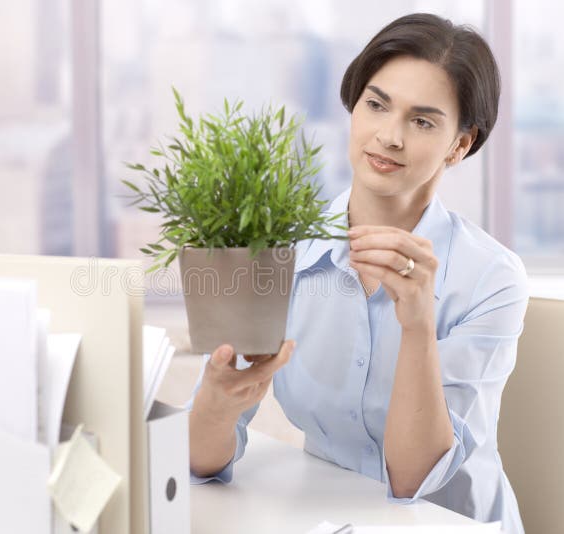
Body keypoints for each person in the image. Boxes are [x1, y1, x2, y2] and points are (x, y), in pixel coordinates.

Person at [187, 12, 527, 533]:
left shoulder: (490, 279)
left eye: (422, 121)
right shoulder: (281, 249)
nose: (388, 136)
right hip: (329, 517)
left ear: (460, 144)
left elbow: (413, 482)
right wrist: (216, 400)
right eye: (376, 104)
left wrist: (417, 324)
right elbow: (201, 462)